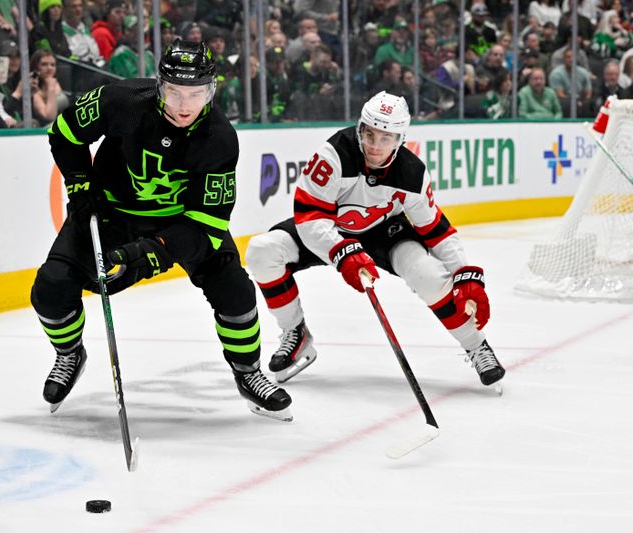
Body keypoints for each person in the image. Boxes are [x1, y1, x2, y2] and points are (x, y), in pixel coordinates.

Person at [31, 39, 293, 420]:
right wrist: (79, 182)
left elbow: (206, 226)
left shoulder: (220, 139)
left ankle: (248, 372)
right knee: (51, 286)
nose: (184, 106)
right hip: (111, 214)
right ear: (159, 86)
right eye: (175, 92)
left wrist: (154, 249)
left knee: (235, 290)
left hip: (180, 223)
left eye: (196, 94)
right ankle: (70, 354)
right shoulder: (119, 100)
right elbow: (65, 133)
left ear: (211, 91)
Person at [244, 91, 505, 388]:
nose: (375, 146)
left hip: (386, 234)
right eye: (370, 135)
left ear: (400, 139)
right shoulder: (334, 155)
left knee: (429, 275)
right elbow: (310, 216)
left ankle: (476, 346)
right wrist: (341, 251)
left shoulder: (412, 173)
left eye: (386, 138)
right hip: (331, 230)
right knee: (262, 251)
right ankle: (296, 334)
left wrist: (463, 274)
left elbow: (436, 230)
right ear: (360, 129)